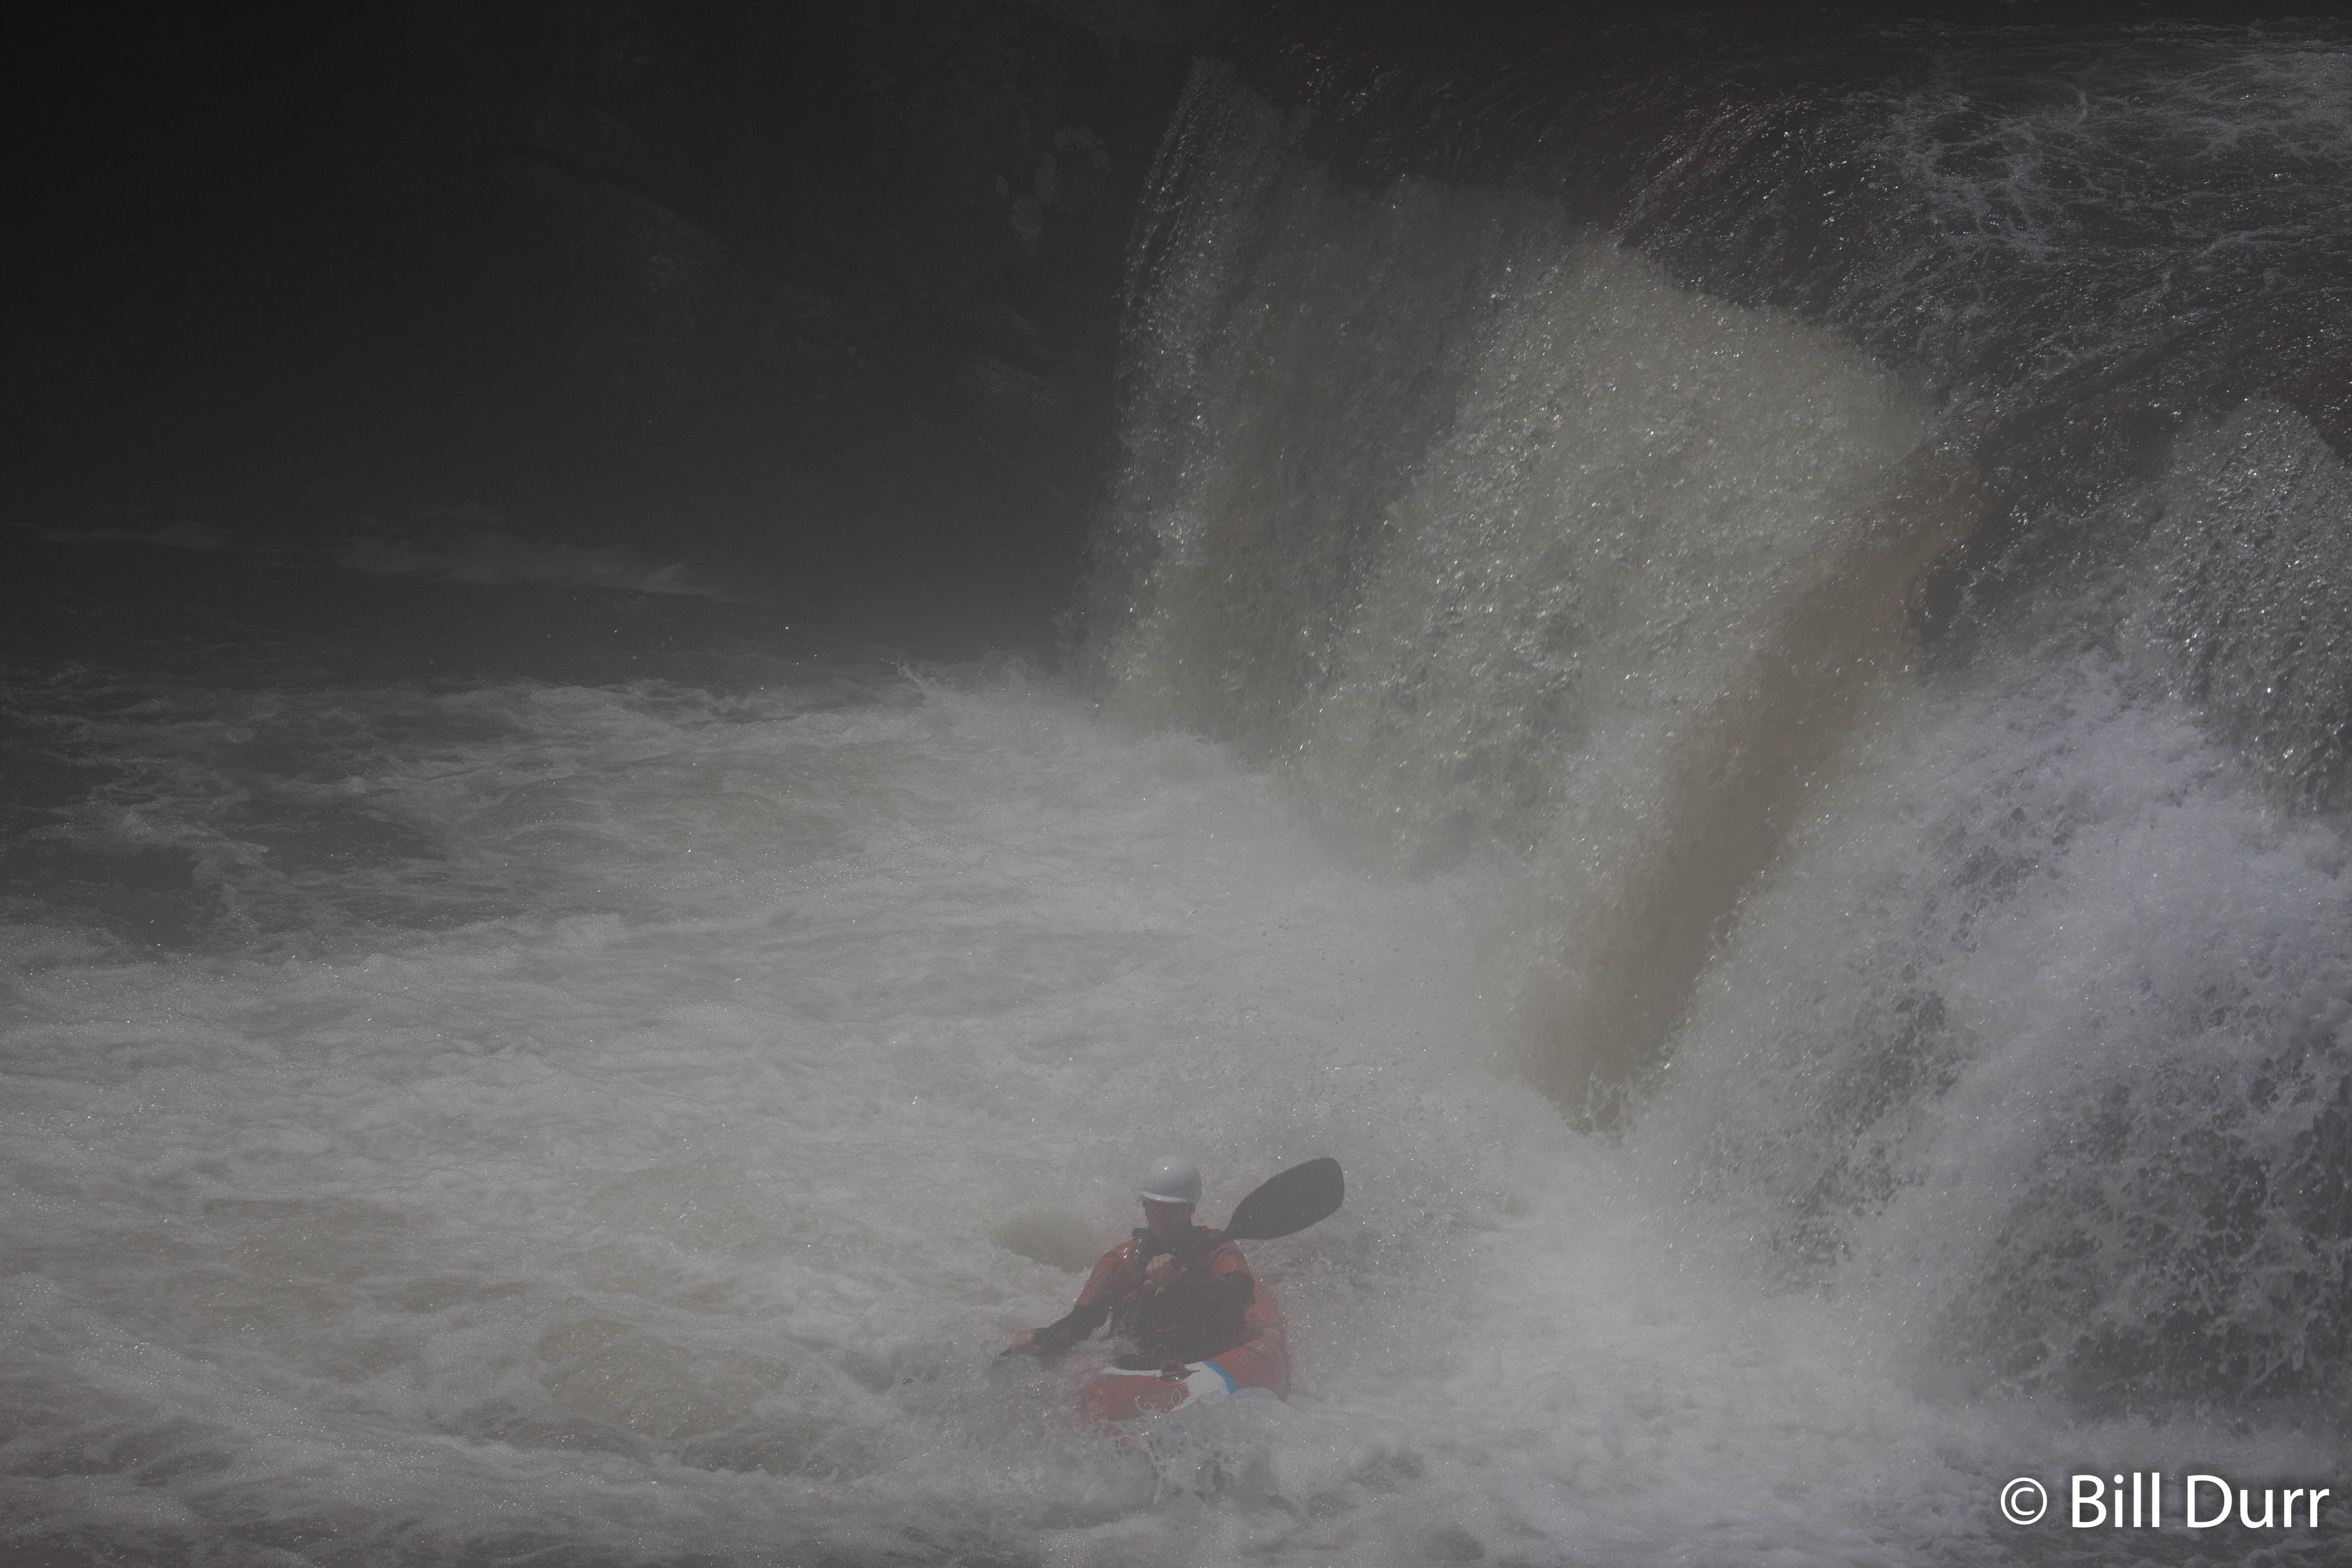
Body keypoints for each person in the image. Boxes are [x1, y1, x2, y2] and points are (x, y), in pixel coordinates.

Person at [1005, 1155, 1257, 1364]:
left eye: (1174, 1208)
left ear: (1192, 1207)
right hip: (1141, 1360)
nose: (1164, 1217)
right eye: (1156, 1206)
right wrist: (1042, 1340)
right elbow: (1080, 1326)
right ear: (1145, 1205)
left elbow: (1242, 1297)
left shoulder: (1217, 1247)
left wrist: (1185, 1279)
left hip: (1211, 1349)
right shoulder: (1119, 1261)